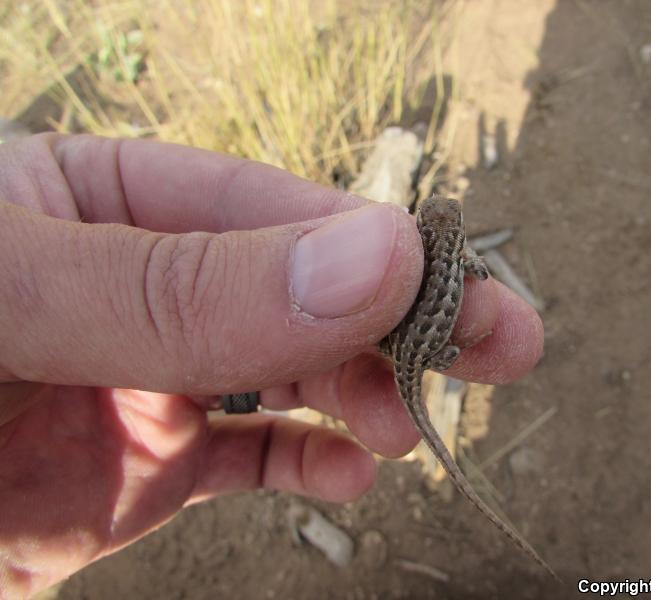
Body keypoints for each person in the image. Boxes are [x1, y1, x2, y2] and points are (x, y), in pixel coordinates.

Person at [0, 134, 543, 596]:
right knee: (441, 351)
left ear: (428, 229)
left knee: (432, 349)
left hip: (409, 352)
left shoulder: (436, 256)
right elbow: (471, 272)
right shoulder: (457, 259)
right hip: (417, 353)